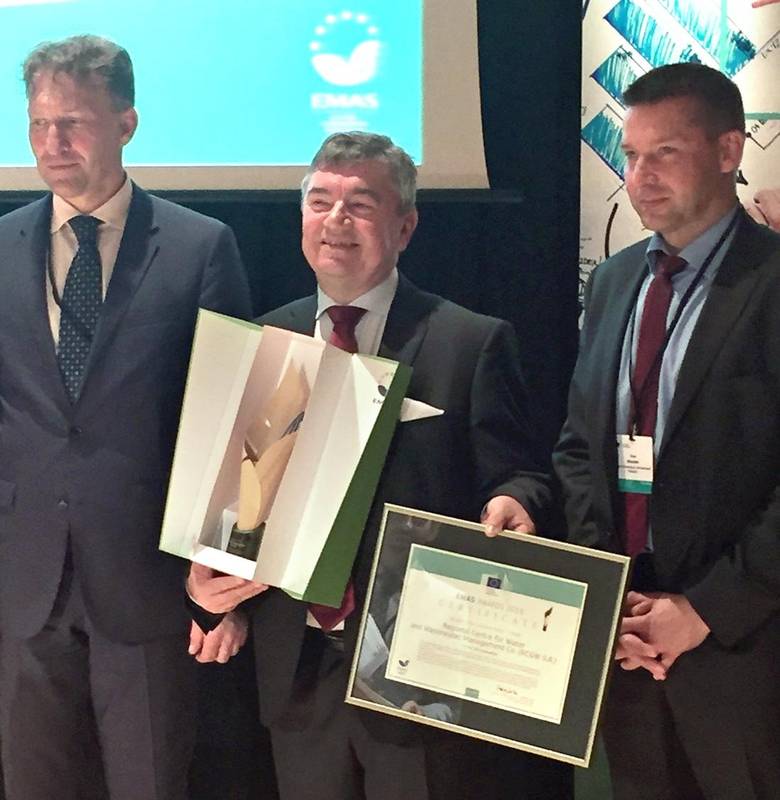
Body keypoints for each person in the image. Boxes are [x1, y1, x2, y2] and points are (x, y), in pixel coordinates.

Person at [188, 132, 572, 800]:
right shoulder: (265, 341)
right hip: (296, 671)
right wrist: (214, 594)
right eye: (319, 201)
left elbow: (522, 474)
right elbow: (237, 507)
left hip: (420, 676)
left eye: (360, 205)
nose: (335, 220)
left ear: (405, 226)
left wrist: (517, 501)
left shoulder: (469, 341)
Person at [0, 35, 251, 800]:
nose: (52, 143)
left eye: (72, 123)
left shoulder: (199, 247)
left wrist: (224, 579)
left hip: (151, 586)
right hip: (23, 586)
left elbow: (234, 430)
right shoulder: (0, 247)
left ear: (127, 124)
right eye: (39, 124)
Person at [553, 62, 780, 799]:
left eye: (665, 153)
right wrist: (607, 589)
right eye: (630, 155)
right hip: (629, 637)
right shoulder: (614, 281)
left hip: (745, 648)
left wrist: (705, 610)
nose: (639, 176)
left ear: (728, 151)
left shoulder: (772, 280)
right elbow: (581, 448)